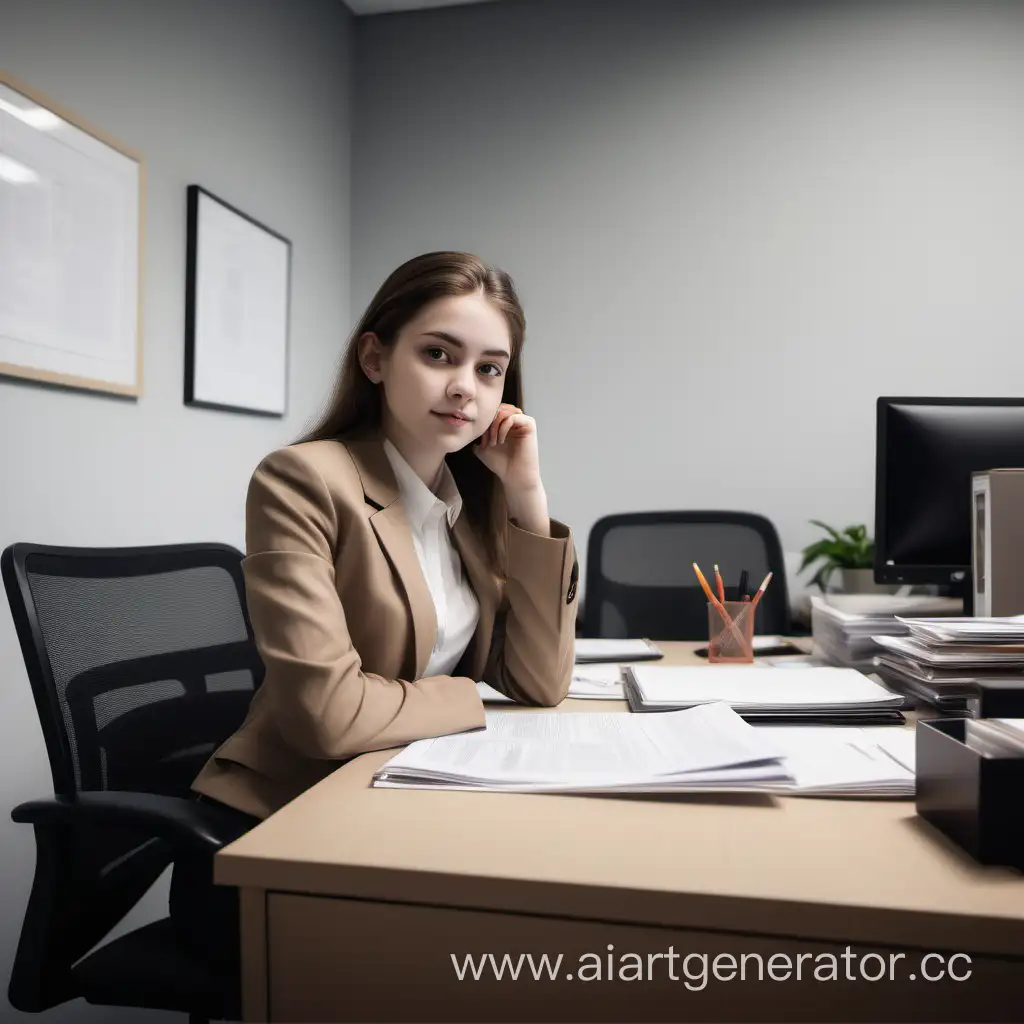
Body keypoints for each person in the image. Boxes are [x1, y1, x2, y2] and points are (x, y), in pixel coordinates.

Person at [172, 251, 579, 968]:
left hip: (393, 808)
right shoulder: (304, 479)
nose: (465, 388)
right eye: (437, 354)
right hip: (274, 834)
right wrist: (465, 696)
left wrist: (527, 498)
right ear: (374, 357)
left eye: (490, 369)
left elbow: (540, 683)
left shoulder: (466, 506)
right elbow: (329, 718)